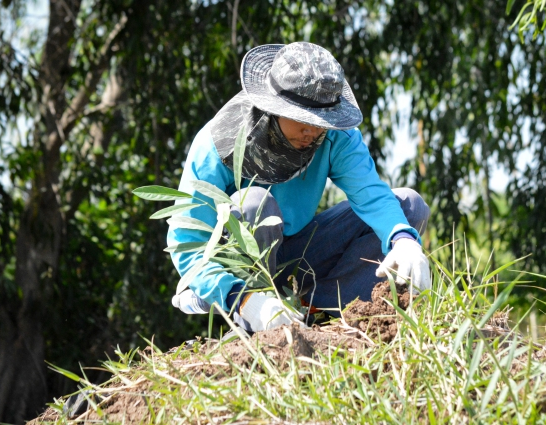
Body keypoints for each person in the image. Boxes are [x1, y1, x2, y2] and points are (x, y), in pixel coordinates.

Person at [168, 42, 431, 332]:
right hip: (243, 264)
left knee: (409, 207)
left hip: (300, 252)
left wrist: (403, 239)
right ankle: (251, 315)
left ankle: (314, 308)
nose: (312, 131)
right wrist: (241, 298)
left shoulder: (335, 136)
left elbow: (372, 196)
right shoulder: (218, 144)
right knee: (253, 204)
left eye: (321, 121)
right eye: (302, 119)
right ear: (271, 106)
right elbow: (187, 242)